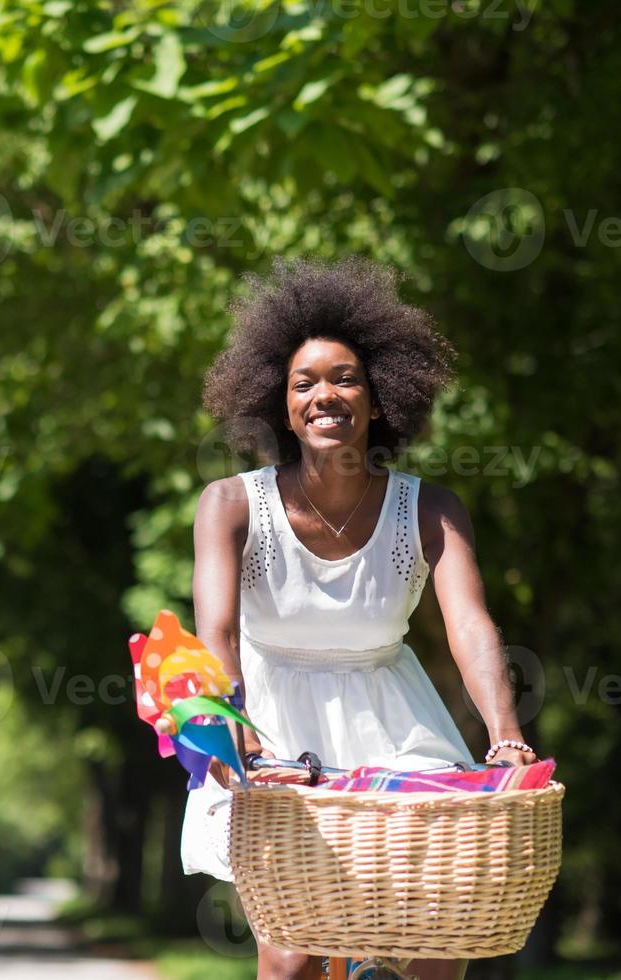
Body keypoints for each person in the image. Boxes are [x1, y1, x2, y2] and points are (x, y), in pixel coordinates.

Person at [183, 256, 538, 980]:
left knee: (435, 948)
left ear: (378, 400)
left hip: (394, 722)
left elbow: (469, 626)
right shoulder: (230, 504)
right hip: (271, 727)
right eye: (303, 383)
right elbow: (215, 632)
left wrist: (505, 737)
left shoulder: (429, 509)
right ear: (279, 407)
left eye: (345, 378)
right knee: (290, 958)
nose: (325, 395)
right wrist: (229, 734)